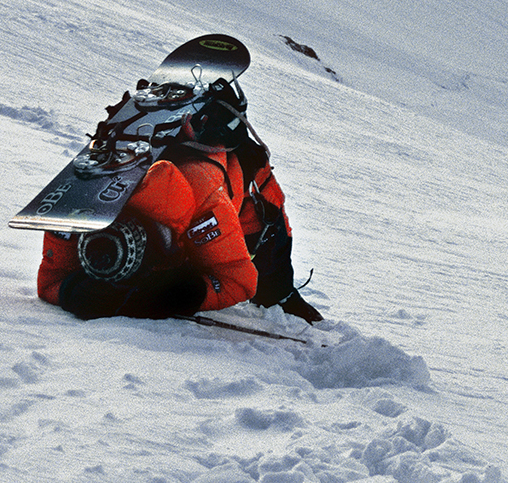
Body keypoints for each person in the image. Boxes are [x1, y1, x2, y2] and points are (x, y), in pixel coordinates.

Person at [37, 73, 321, 322]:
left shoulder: (203, 201)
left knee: (268, 261)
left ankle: (283, 295)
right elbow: (51, 278)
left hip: (236, 194)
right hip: (175, 197)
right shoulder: (79, 203)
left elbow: (239, 280)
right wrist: (72, 291)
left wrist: (180, 294)